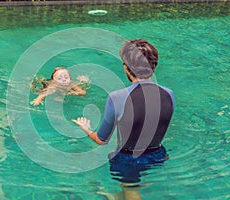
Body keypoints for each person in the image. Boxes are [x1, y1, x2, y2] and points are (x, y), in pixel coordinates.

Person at [72, 39, 175, 185]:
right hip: (158, 155)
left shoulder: (117, 97)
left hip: (128, 159)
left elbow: (101, 140)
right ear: (154, 66)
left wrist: (87, 129)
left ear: (126, 68)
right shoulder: (169, 94)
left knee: (131, 194)